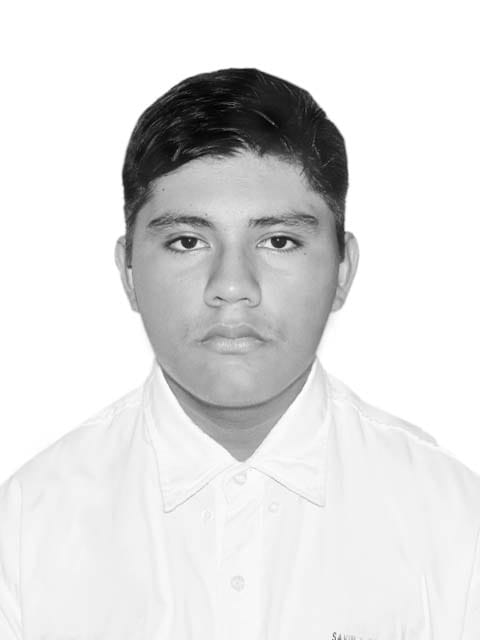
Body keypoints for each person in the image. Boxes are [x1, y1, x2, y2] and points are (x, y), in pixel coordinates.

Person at [0, 68, 479, 640]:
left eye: (279, 241)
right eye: (187, 241)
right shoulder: (27, 525)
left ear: (343, 270)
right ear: (128, 271)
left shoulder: (451, 516)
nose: (231, 285)